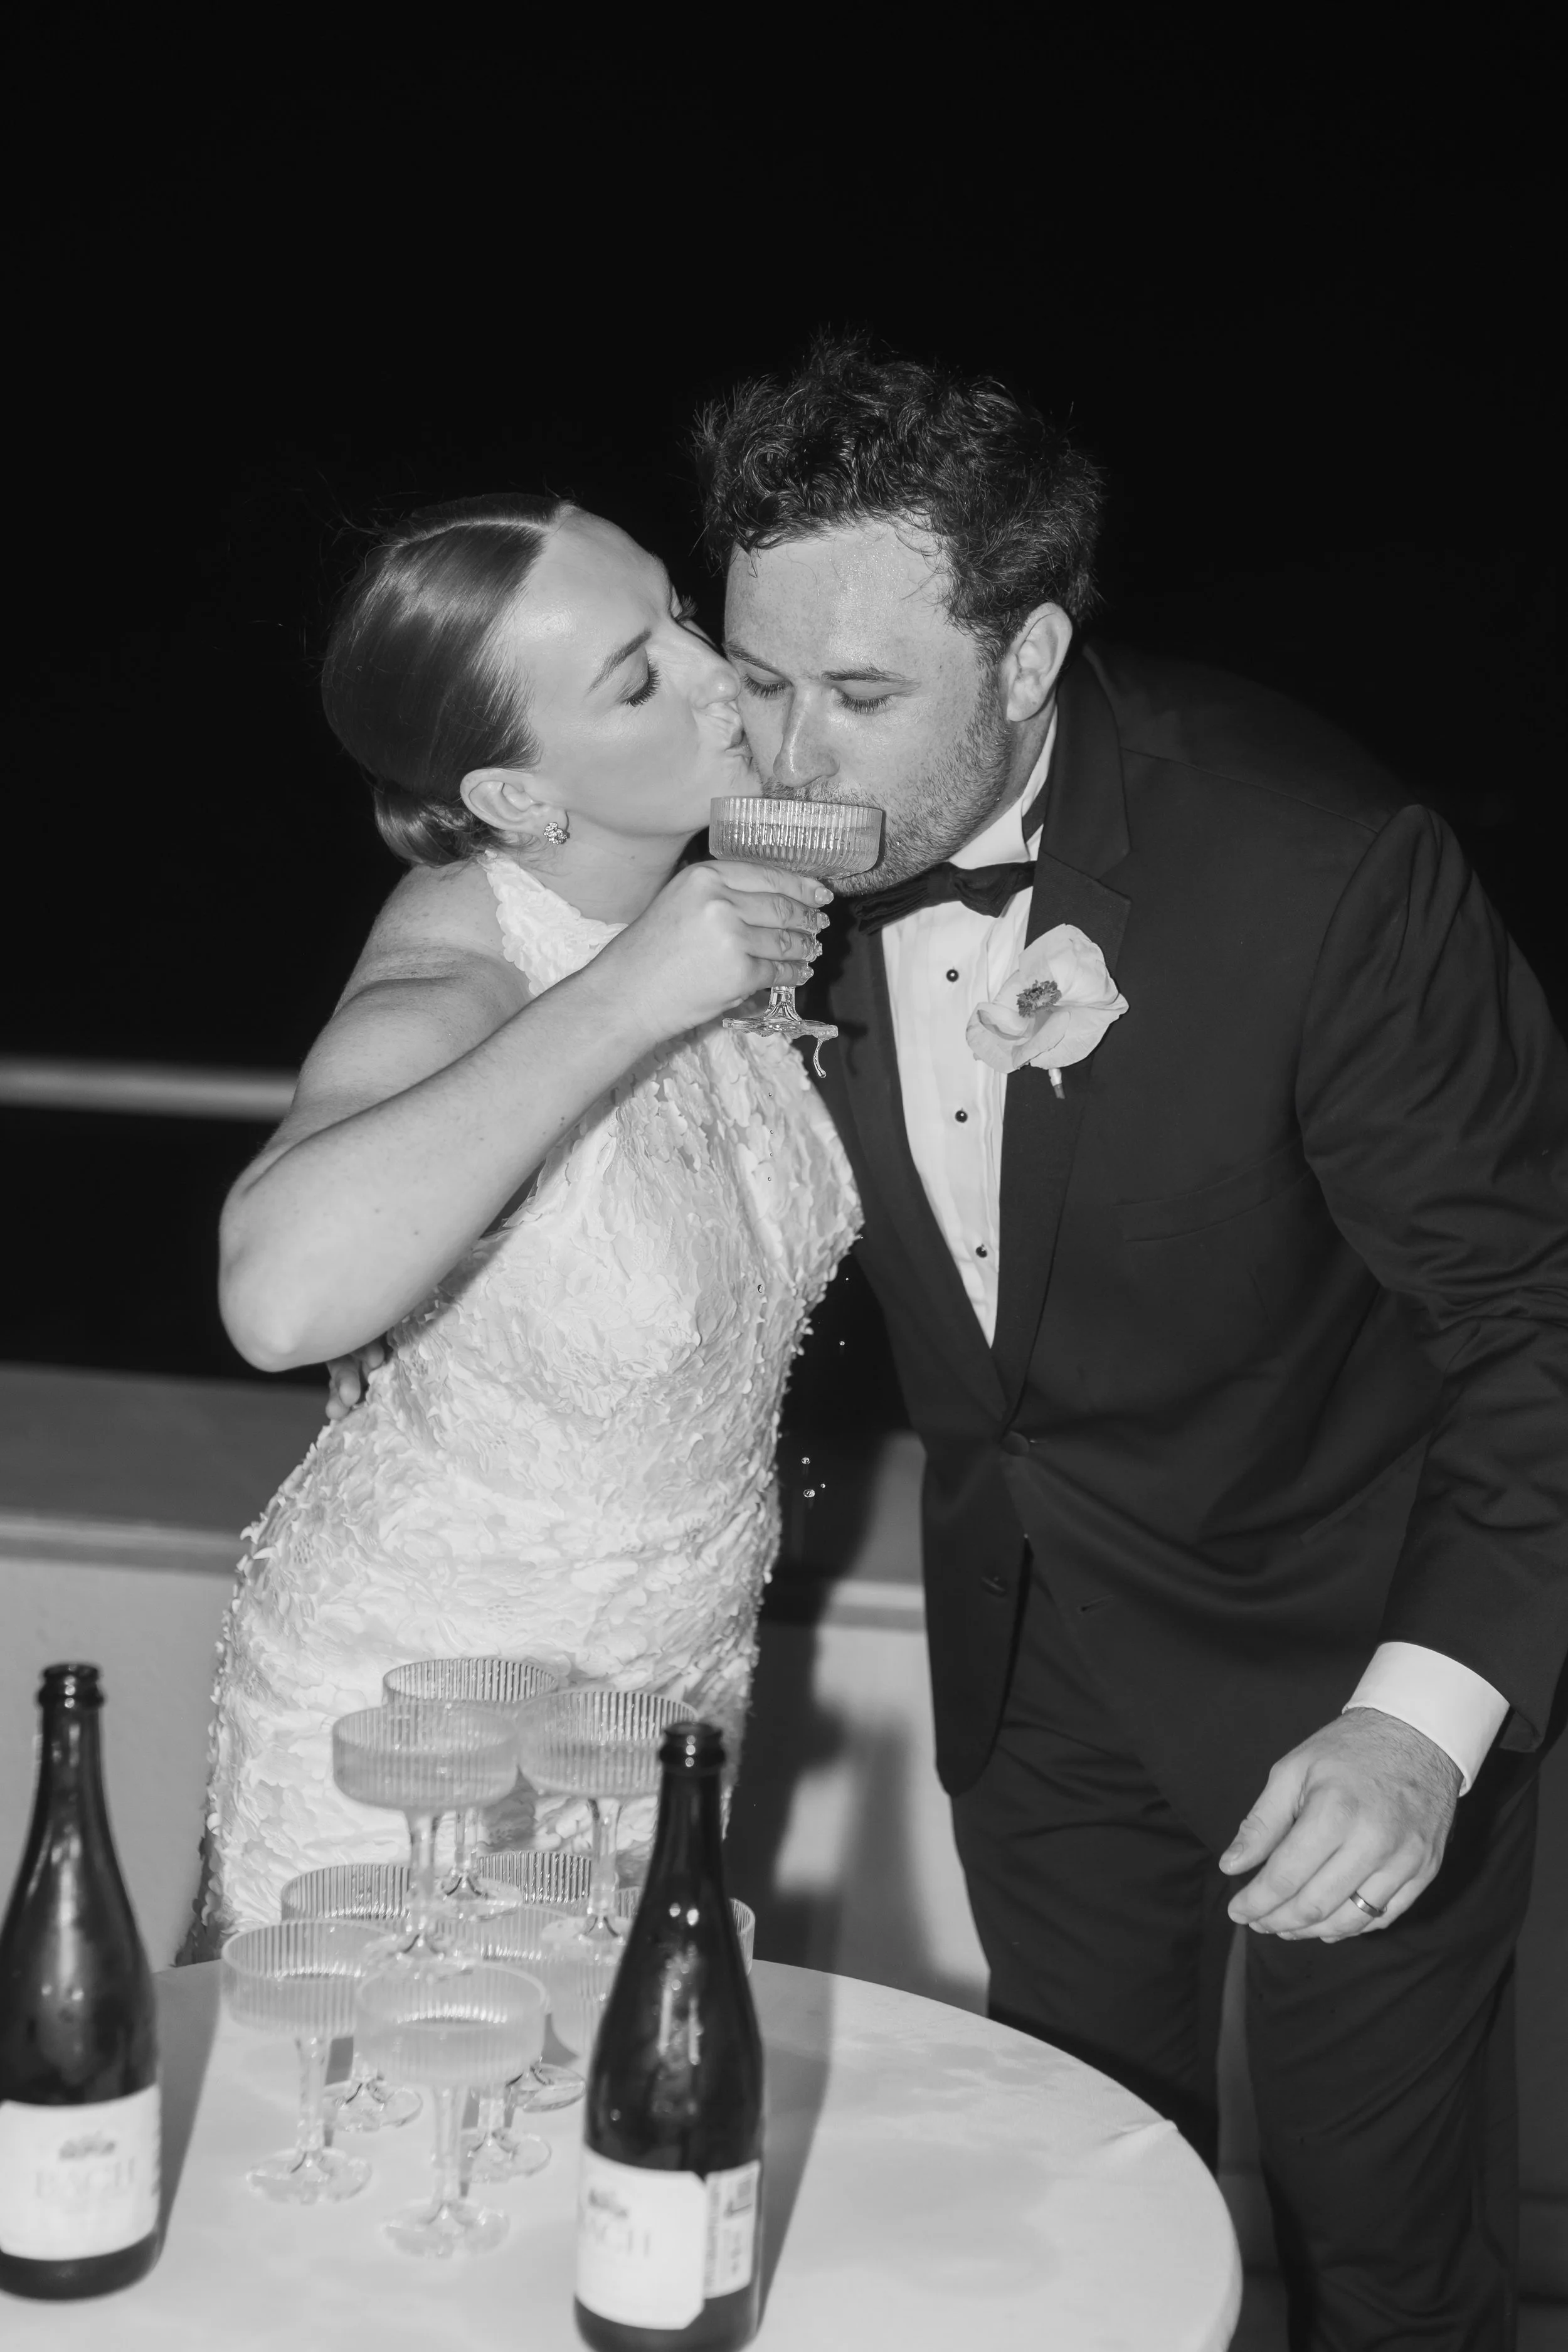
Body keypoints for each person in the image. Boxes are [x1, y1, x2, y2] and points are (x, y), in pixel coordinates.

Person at [695, 336, 1568, 2349]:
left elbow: (1535, 1310)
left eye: (854, 695)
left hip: (1342, 1648)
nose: (785, 765)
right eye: (753, 678)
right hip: (1038, 1657)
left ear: (1025, 656)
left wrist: (1414, 1727)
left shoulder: (1318, 869)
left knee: (1382, 2248)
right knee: (1074, 2212)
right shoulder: (758, 868)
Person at [191, 492, 858, 1942]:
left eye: (679, 615)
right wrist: (627, 1000)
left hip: (673, 1694)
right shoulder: (457, 967)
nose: (711, 672)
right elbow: (278, 1297)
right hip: (423, 1734)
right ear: (511, 796)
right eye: (637, 677)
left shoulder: (713, 905)